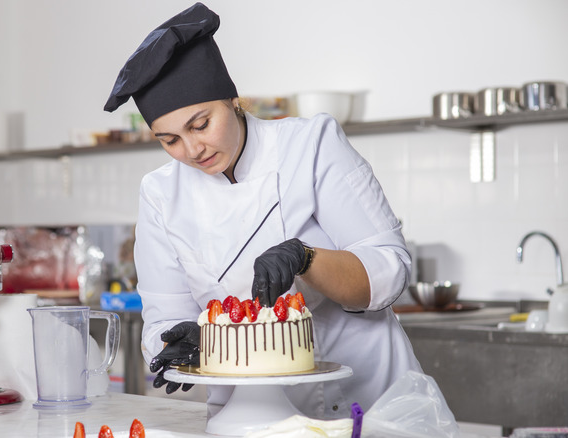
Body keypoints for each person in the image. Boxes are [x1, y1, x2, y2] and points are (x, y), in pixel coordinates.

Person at [104, 2, 423, 419]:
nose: (192, 149)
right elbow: (166, 314)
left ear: (233, 100)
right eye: (169, 140)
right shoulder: (161, 194)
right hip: (248, 414)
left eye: (200, 125)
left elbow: (389, 269)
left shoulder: (310, 145)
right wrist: (178, 343)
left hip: (367, 399)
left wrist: (305, 258)